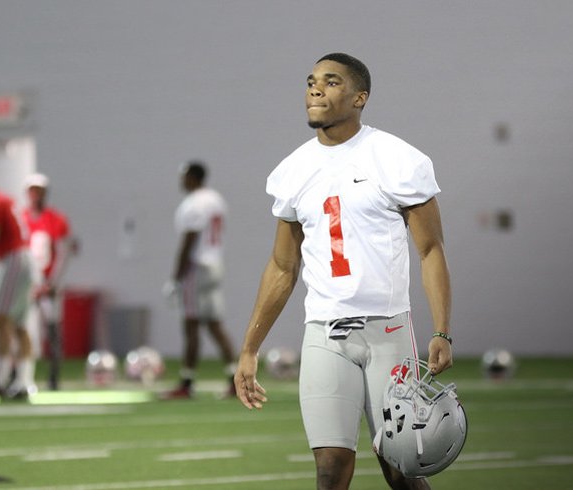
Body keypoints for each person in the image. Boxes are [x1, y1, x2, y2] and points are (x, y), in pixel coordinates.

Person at [235, 53, 453, 490]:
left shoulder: (395, 158)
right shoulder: (293, 169)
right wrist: (249, 348)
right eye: (311, 81)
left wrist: (441, 330)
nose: (315, 89)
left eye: (331, 82)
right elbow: (282, 266)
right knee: (331, 466)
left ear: (359, 97)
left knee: (401, 467)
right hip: (323, 335)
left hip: (387, 332)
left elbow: (430, 250)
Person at [162, 161, 236, 399]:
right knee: (215, 324)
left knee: (191, 324)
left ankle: (186, 382)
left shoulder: (194, 203)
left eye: (184, 176)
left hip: (198, 267)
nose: (181, 181)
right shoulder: (216, 199)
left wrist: (176, 277)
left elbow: (189, 241)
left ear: (193, 177)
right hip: (215, 264)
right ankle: (235, 377)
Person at [0, 168, 35, 399]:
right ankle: (23, 381)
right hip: (23, 259)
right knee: (19, 324)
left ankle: (0, 380)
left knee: (2, 319)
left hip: (14, 260)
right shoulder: (5, 200)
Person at [21, 173, 75, 392]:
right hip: (26, 284)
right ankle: (21, 376)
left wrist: (53, 282)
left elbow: (63, 252)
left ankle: (54, 378)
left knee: (53, 330)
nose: (36, 194)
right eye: (32, 190)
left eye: (40, 190)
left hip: (48, 282)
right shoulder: (21, 217)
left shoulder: (56, 219)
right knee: (20, 329)